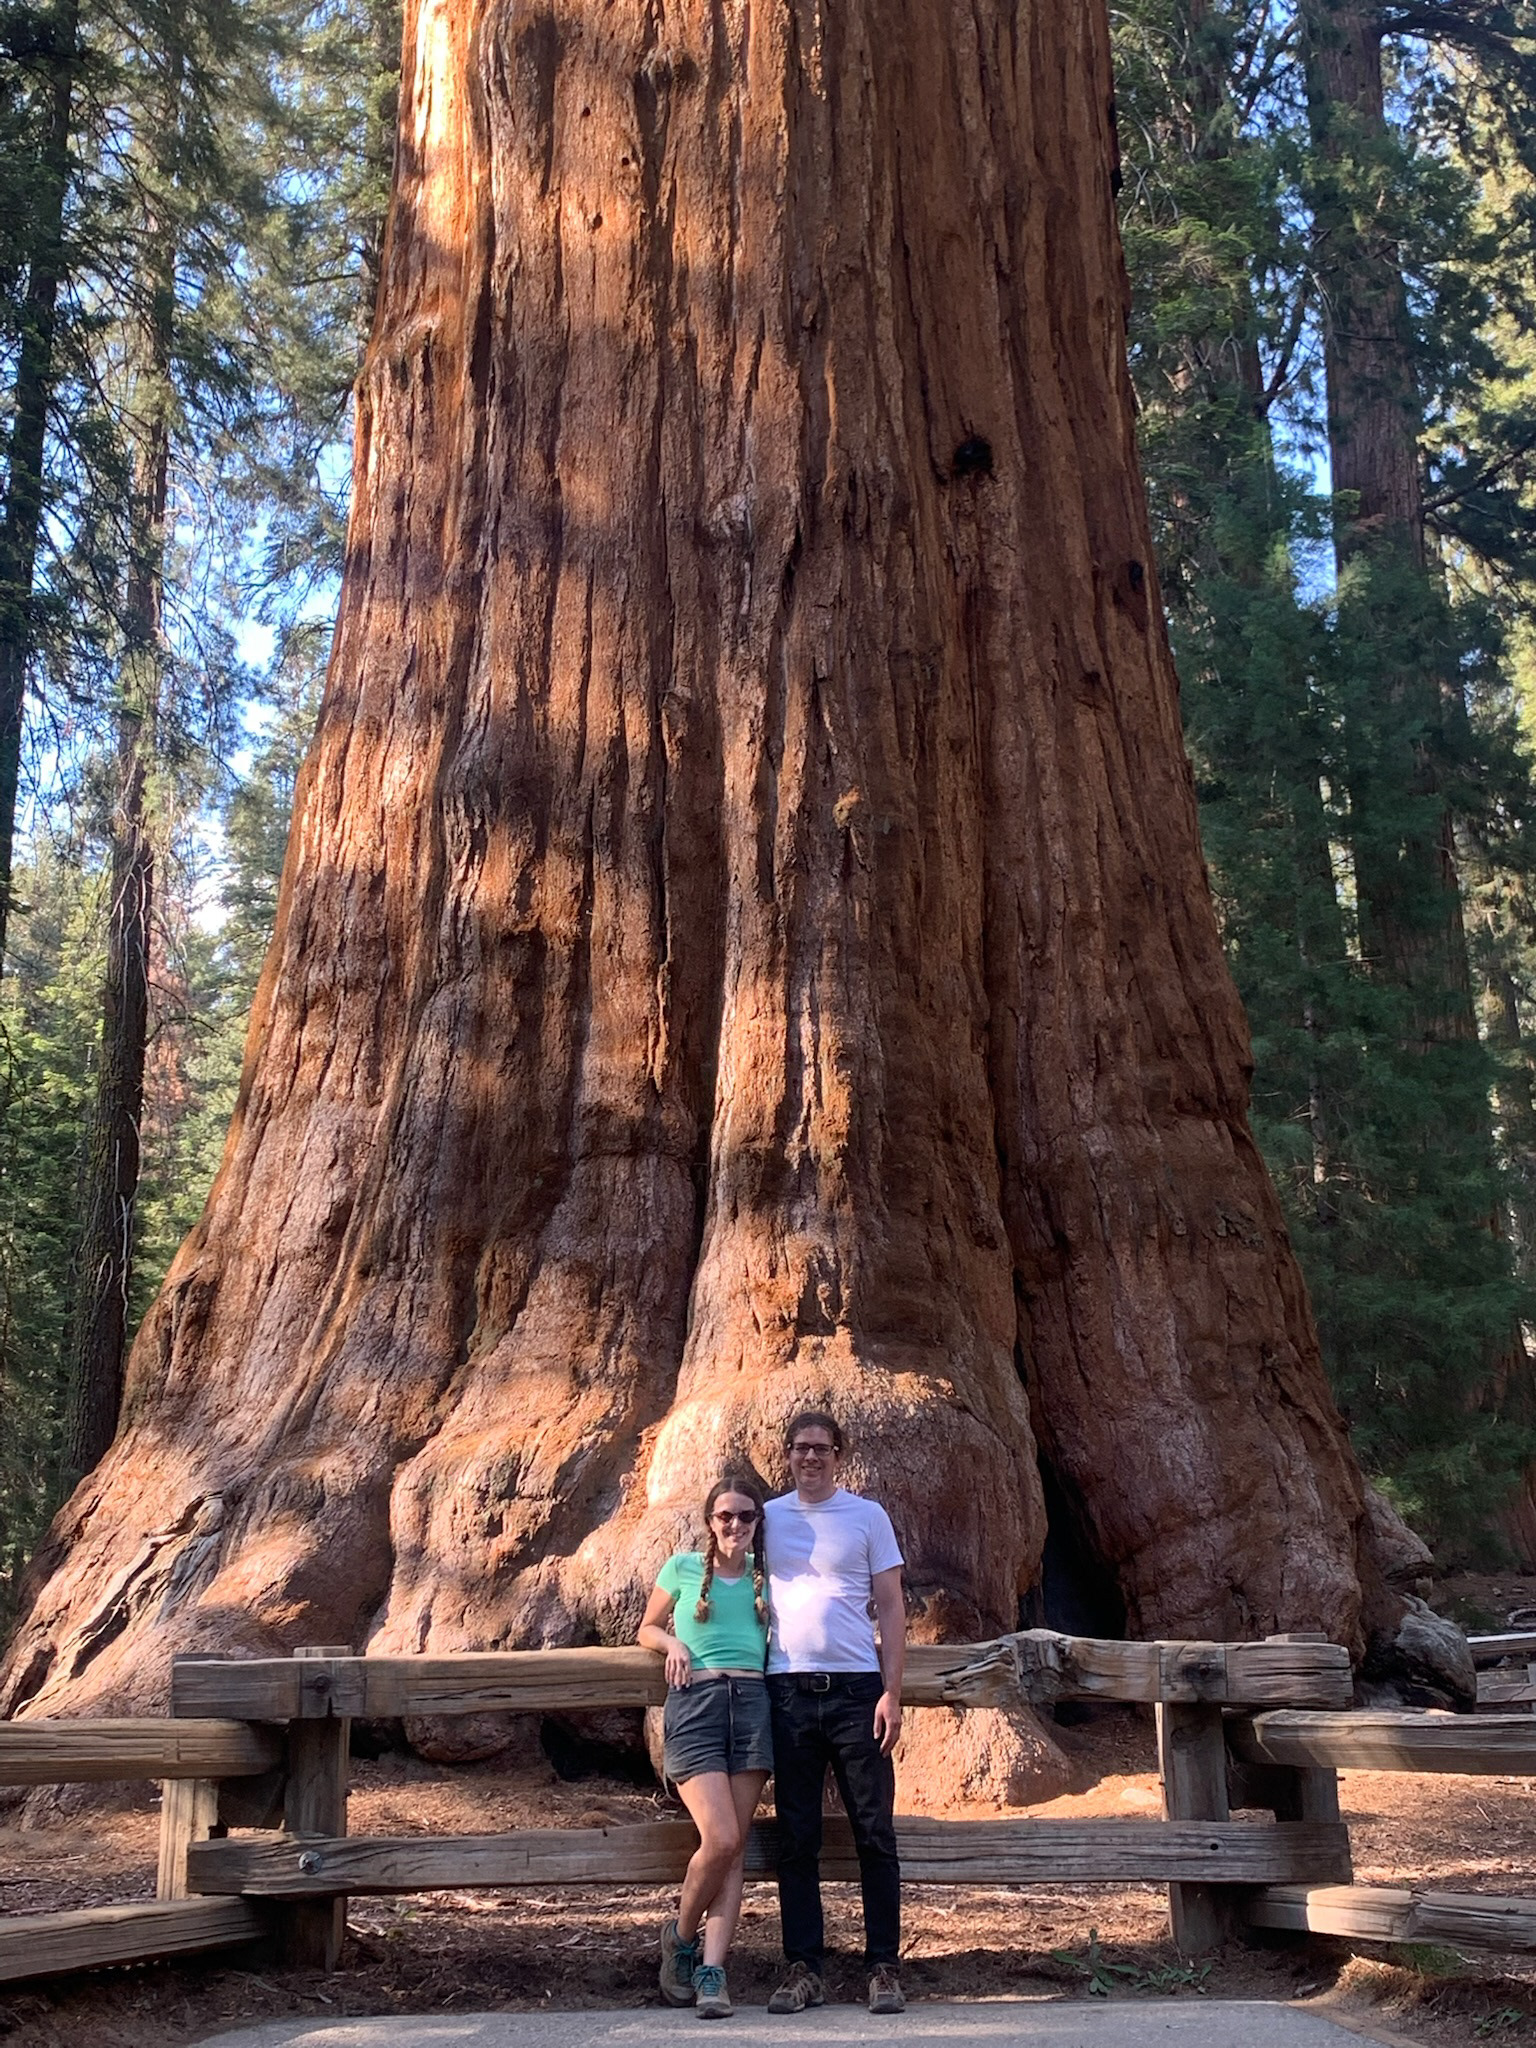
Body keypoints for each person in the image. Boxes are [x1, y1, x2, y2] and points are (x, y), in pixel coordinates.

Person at [763, 1410, 907, 2017]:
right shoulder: (767, 1518)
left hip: (857, 1692)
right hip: (787, 1691)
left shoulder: (867, 1516)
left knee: (874, 1831)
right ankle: (804, 1967)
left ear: (839, 1455)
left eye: (822, 1448)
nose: (811, 1457)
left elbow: (892, 1607)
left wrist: (892, 1692)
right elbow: (721, 1570)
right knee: (797, 1837)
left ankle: (883, 1967)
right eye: (801, 1448)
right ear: (787, 1455)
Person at [639, 1476, 773, 2020]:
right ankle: (681, 1936)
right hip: (698, 1704)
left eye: (746, 1516)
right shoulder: (682, 1568)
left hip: (754, 1706)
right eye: (725, 1516)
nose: (735, 1524)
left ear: (758, 1522)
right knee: (720, 1837)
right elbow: (647, 1628)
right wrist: (672, 1642)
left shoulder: (770, 1577)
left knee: (734, 1848)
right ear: (710, 1521)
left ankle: (713, 1973)